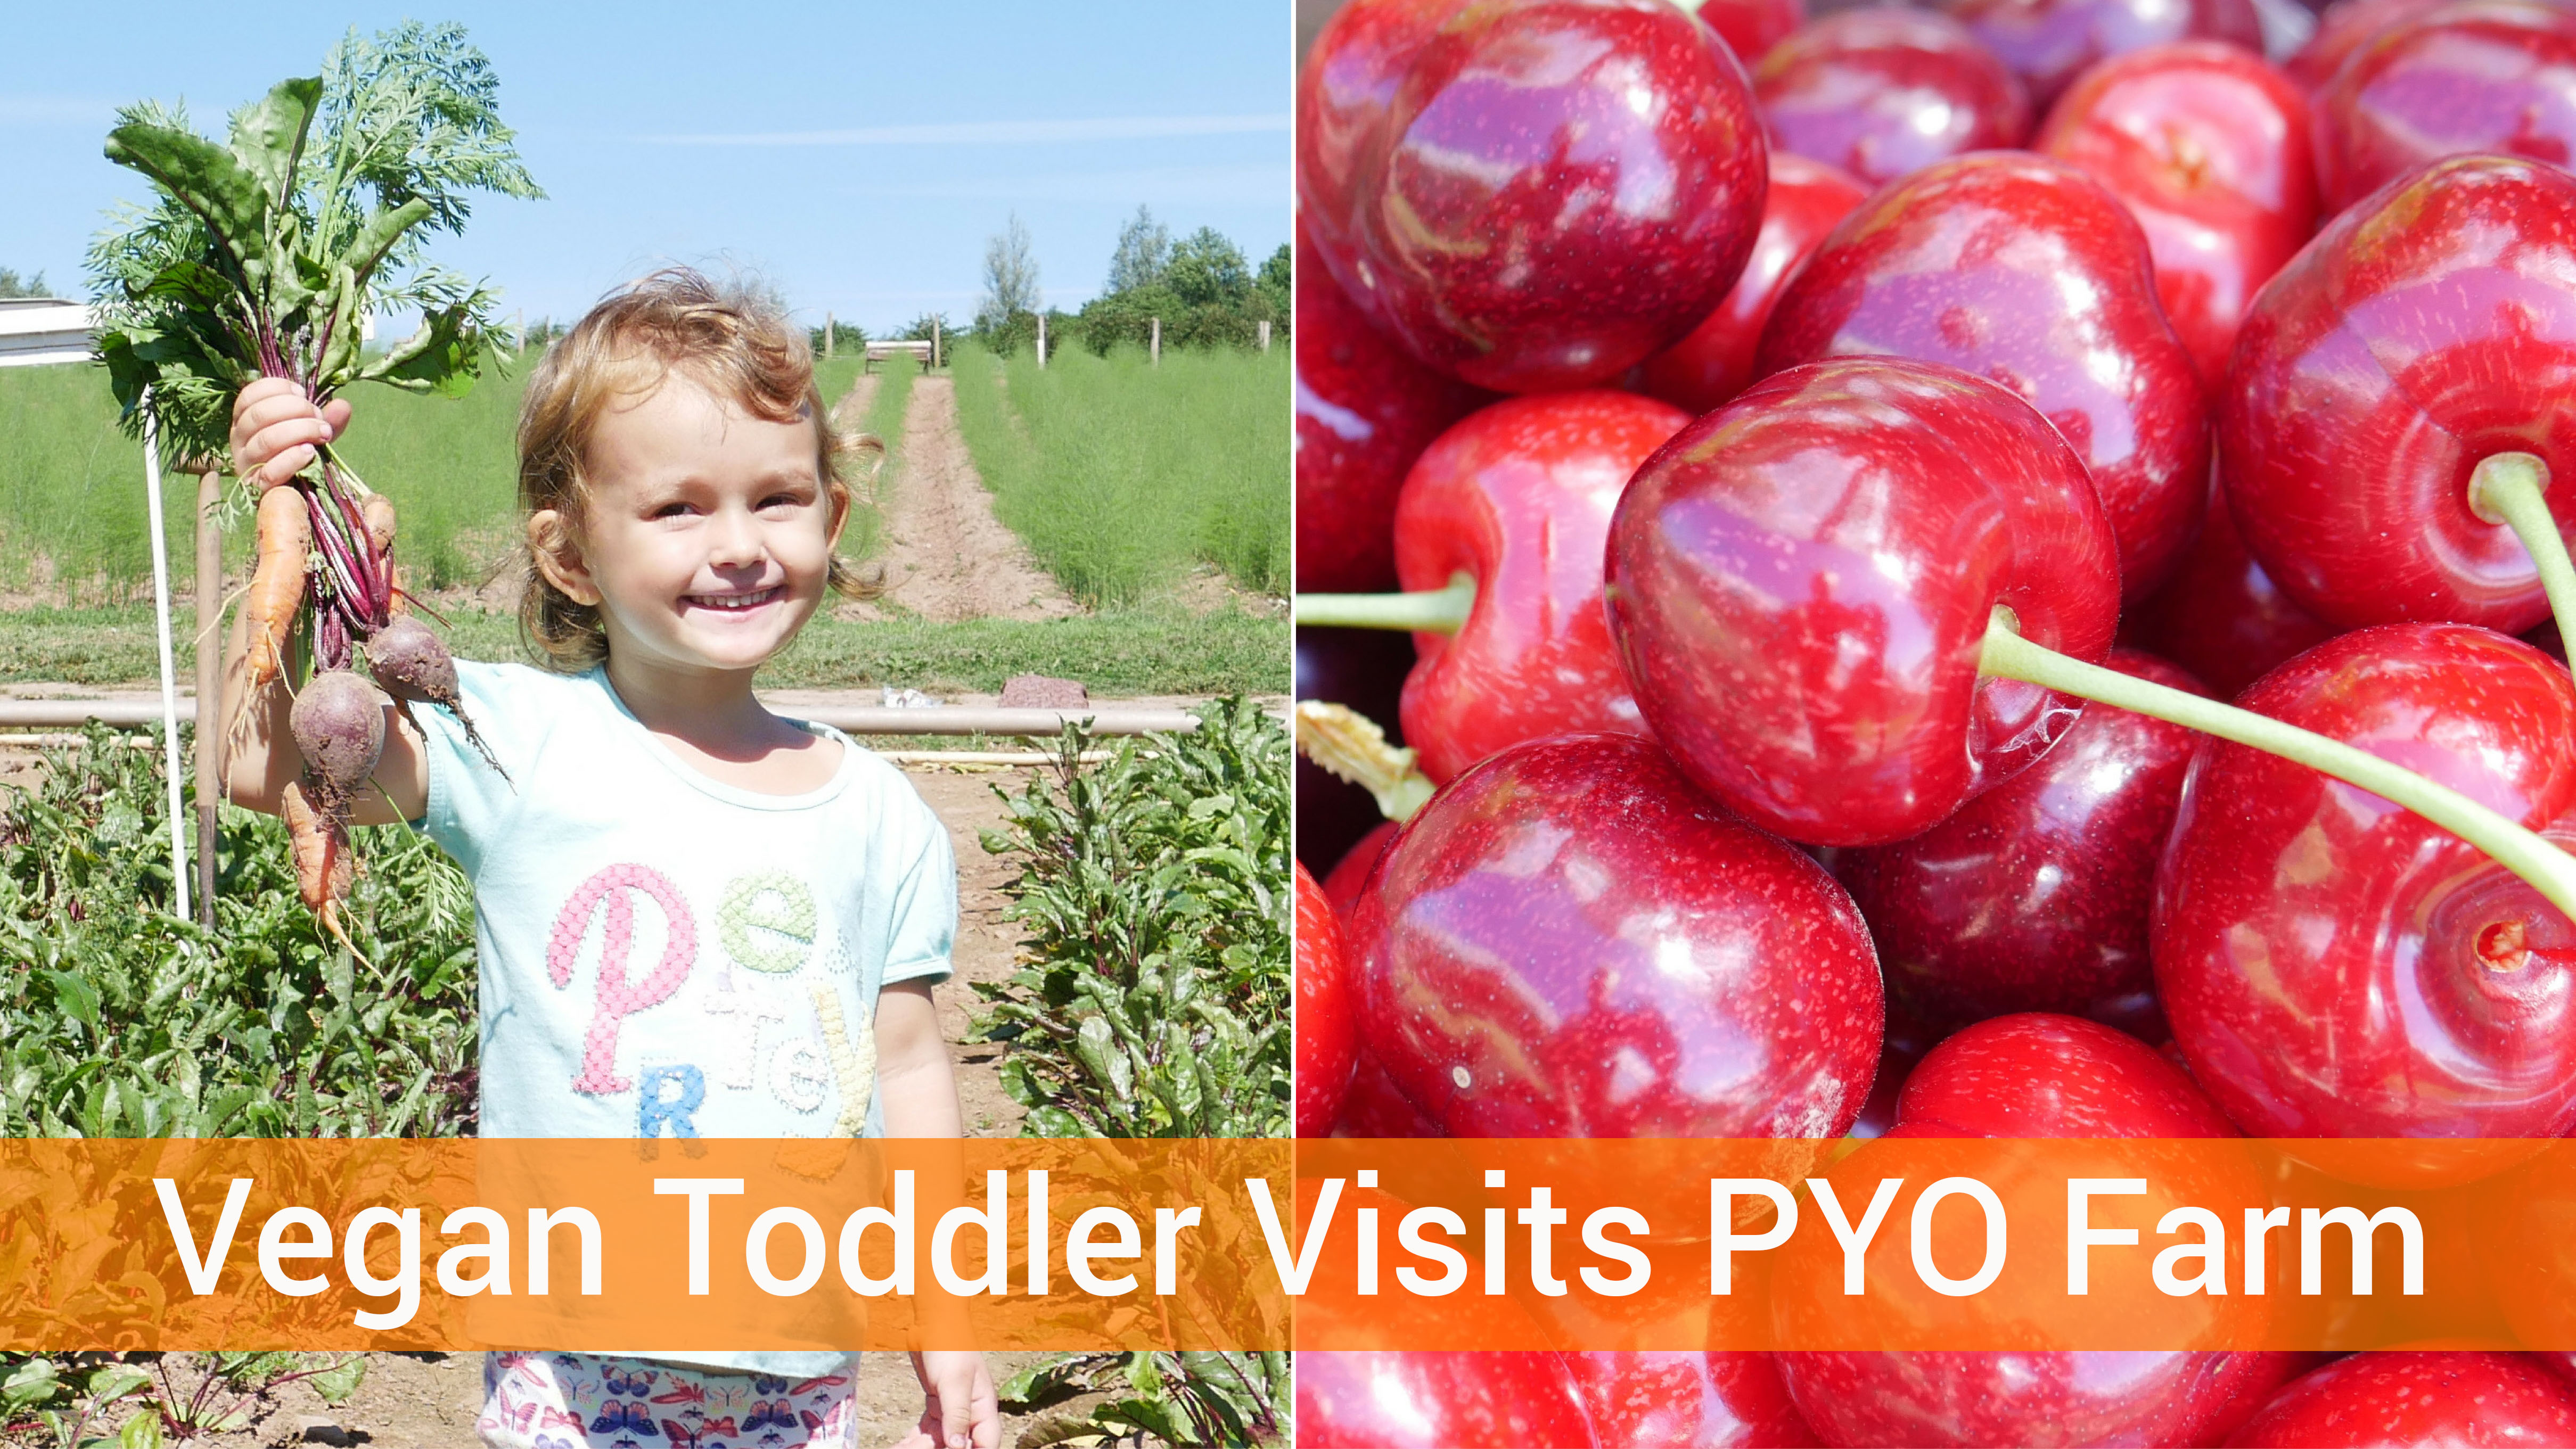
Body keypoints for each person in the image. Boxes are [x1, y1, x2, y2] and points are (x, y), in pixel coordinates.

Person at [221, 267, 1001, 1449]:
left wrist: (951, 1316)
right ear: (571, 554)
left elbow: (909, 1074)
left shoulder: (880, 813)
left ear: (831, 522)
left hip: (799, 1380)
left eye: (778, 498)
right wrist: (278, 513)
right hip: (569, 1374)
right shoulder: (518, 743)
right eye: (679, 508)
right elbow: (256, 767)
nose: (737, 544)